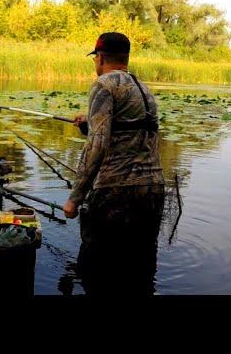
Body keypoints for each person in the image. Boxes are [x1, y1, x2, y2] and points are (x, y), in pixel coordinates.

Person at [63, 31, 165, 295]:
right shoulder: (144, 89)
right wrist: (90, 123)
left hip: (115, 193)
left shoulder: (104, 85)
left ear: (100, 57)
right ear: (126, 58)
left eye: (95, 58)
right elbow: (131, 132)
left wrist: (75, 198)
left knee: (98, 272)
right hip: (152, 191)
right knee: (140, 272)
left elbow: (97, 146)